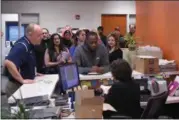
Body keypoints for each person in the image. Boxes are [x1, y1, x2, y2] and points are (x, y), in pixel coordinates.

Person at [4, 24, 42, 97]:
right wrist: (22, 80)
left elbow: (26, 61)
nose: (41, 37)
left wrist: (34, 72)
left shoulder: (30, 44)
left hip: (23, 85)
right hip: (16, 86)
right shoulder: (22, 45)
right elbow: (8, 62)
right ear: (30, 34)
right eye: (39, 35)